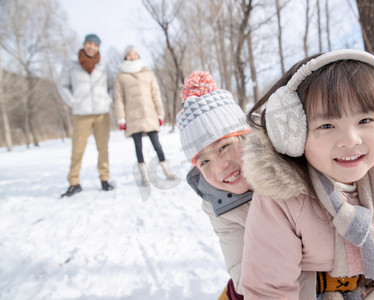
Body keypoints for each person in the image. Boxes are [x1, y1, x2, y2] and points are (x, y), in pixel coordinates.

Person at [240, 49, 374, 299]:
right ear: (294, 136)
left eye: (365, 120)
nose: (350, 140)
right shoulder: (281, 198)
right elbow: (269, 288)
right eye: (327, 125)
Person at [176, 71, 252, 299]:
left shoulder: (286, 167)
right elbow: (242, 275)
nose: (220, 167)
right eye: (205, 161)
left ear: (246, 138)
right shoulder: (217, 205)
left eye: (223, 147)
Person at [58, 33, 114, 197]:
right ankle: (74, 182)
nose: (92, 47)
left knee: (103, 148)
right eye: (89, 44)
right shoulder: (72, 65)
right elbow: (62, 85)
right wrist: (73, 102)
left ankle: (104, 179)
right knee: (77, 149)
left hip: (102, 113)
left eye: (95, 45)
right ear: (84, 45)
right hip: (81, 113)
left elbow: (111, 85)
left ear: (98, 48)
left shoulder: (103, 66)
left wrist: (108, 100)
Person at [114, 45, 176, 185]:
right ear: (125, 57)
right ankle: (144, 175)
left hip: (149, 114)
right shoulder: (121, 76)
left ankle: (166, 170)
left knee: (157, 145)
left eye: (134, 54)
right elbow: (118, 98)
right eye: (129, 54)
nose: (132, 56)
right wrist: (121, 118)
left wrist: (160, 113)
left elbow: (156, 93)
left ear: (138, 56)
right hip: (132, 116)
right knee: (138, 146)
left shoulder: (148, 73)